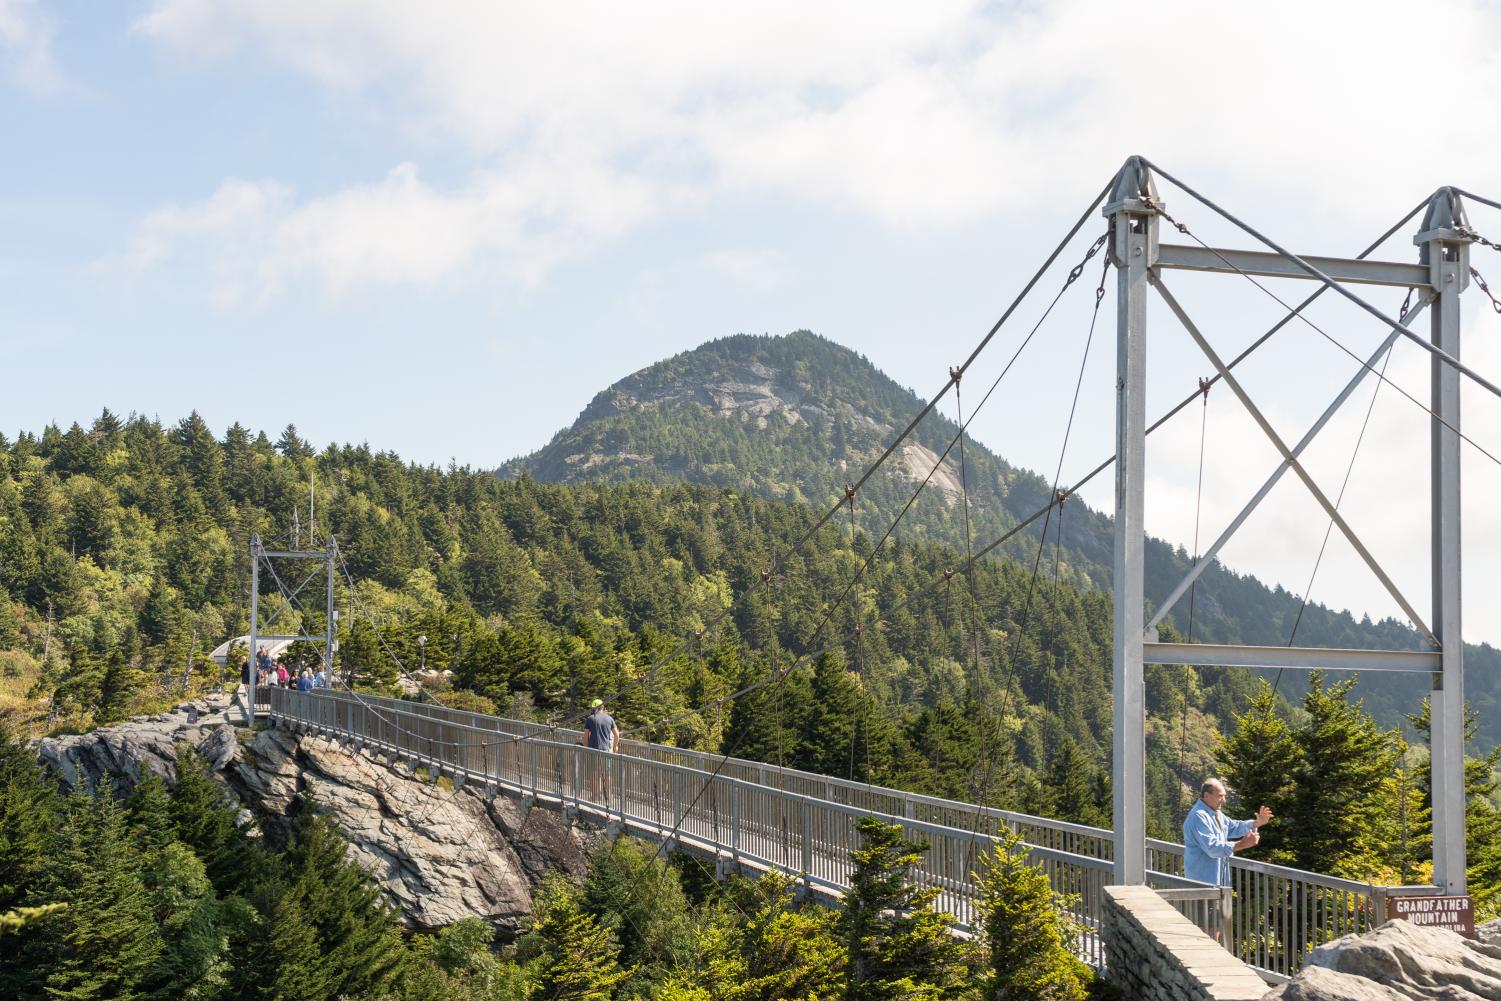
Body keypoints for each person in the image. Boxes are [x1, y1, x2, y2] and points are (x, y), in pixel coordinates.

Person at [1184, 778, 1273, 887]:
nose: (1224, 800)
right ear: (1206, 796)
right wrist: (1242, 844)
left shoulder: (1216, 813)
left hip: (1216, 883)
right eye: (1220, 796)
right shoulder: (1198, 816)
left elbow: (1233, 826)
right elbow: (1212, 848)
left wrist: (1256, 823)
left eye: (1224, 796)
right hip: (1201, 884)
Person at [580, 698, 620, 804]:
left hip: (593, 750)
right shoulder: (610, 719)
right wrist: (614, 747)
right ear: (603, 708)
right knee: (607, 773)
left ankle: (595, 796)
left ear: (593, 708)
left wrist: (587, 748)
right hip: (606, 750)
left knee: (594, 774)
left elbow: (585, 737)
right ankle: (608, 796)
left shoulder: (590, 719)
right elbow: (617, 735)